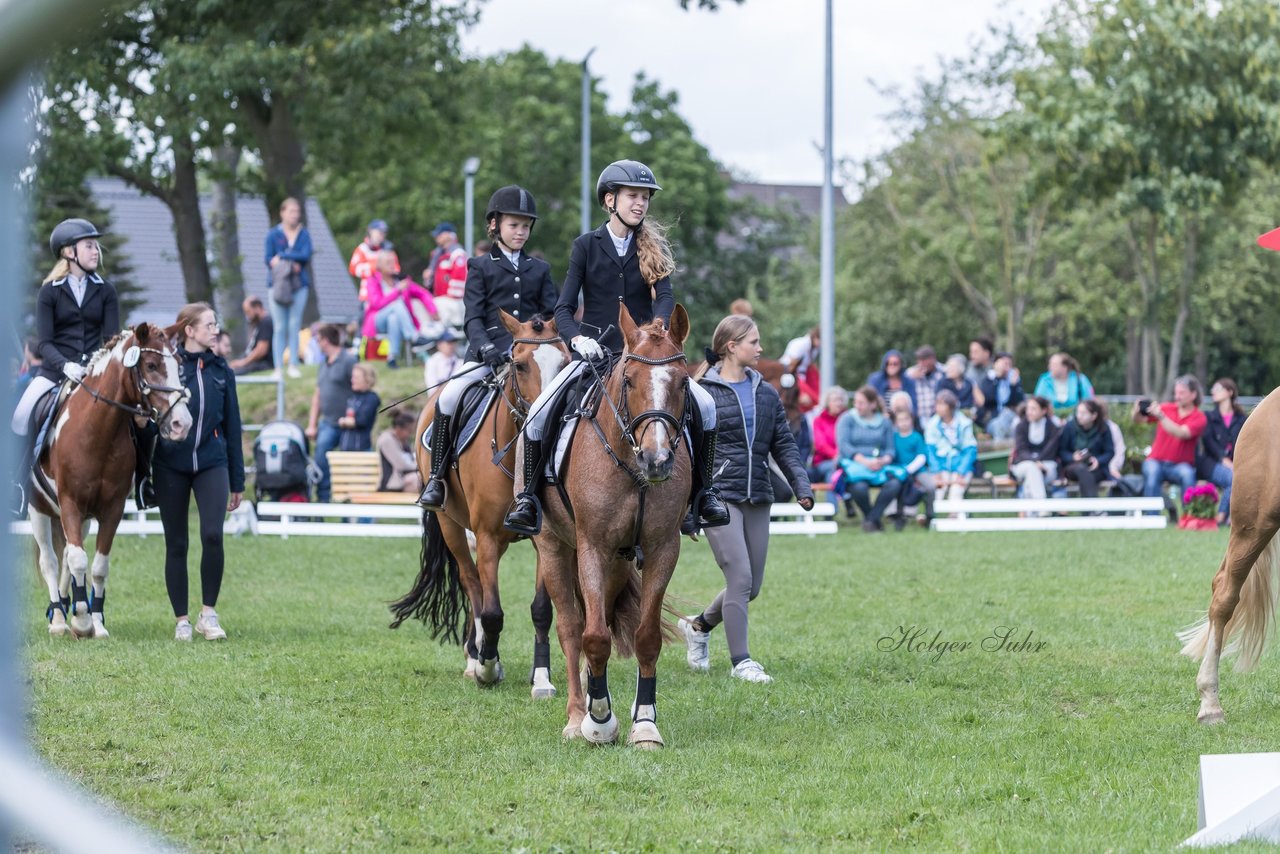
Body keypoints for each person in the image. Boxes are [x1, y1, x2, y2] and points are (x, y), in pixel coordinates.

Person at [504, 161, 728, 534]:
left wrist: (657, 327)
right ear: (610, 200)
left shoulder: (652, 247)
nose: (640, 204)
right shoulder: (585, 246)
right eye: (633, 197)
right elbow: (563, 305)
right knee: (540, 410)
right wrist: (576, 338)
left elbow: (666, 295)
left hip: (642, 355)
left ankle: (704, 495)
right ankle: (528, 497)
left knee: (704, 406)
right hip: (595, 354)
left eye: (644, 198)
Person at [679, 315, 813, 683]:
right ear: (731, 346)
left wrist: (801, 485)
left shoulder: (766, 393)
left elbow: (783, 444)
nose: (761, 348)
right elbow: (687, 452)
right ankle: (742, 662)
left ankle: (699, 626)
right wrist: (687, 511)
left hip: (759, 495)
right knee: (739, 576)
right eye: (754, 341)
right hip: (718, 497)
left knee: (751, 587)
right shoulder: (698, 392)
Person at [419, 185, 558, 509]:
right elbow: (473, 318)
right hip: (488, 354)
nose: (521, 232)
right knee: (450, 397)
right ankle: (437, 479)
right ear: (495, 225)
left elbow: (551, 313)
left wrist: (540, 323)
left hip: (531, 357)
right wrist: (484, 348)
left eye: (525, 226)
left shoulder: (540, 269)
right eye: (514, 225)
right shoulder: (480, 266)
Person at [11, 218, 120, 517]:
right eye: (88, 246)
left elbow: (112, 339)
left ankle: (144, 481)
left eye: (95, 245)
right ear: (69, 253)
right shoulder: (50, 292)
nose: (95, 251)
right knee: (20, 417)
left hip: (94, 373)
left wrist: (95, 364)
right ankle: (16, 486)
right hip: (55, 371)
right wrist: (67, 366)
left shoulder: (106, 291)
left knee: (135, 417)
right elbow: (44, 343)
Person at [152, 303, 243, 642]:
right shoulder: (170, 368)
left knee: (212, 535)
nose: (215, 329)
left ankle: (209, 614)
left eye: (216, 324)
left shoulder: (222, 370)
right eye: (208, 324)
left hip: (212, 463)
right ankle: (182, 620)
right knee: (176, 543)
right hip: (170, 464)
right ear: (188, 330)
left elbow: (233, 426)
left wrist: (238, 480)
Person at [833, 386, 904, 532]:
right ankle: (873, 520)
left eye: (861, 402)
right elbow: (844, 446)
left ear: (872, 404)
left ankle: (871, 519)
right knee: (859, 487)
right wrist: (864, 461)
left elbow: (890, 449)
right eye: (856, 402)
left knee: (895, 483)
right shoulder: (847, 419)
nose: (857, 406)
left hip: (878, 465)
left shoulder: (884, 422)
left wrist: (882, 460)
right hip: (854, 464)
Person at [1134, 375, 1206, 506]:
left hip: (1180, 466)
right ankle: (1151, 518)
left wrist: (1161, 416)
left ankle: (1187, 517)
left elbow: (1182, 433)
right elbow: (1139, 420)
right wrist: (1137, 410)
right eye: (1176, 392)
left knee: (1188, 475)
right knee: (1152, 472)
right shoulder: (1166, 408)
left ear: (1193, 394)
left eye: (1182, 393)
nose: (1177, 396)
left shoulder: (1199, 417)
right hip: (1155, 461)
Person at [305, 325, 356, 502]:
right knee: (320, 462)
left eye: (318, 340)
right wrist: (312, 424)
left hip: (347, 425)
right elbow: (317, 396)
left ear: (326, 340)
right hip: (327, 423)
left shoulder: (348, 361)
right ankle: (322, 504)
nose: (317, 343)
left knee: (347, 467)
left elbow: (359, 389)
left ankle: (346, 509)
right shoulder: (323, 364)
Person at [360, 250, 436, 369]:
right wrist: (397, 291)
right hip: (378, 320)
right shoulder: (373, 281)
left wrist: (432, 310)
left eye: (393, 262)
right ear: (379, 265)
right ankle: (414, 337)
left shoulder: (400, 280)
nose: (392, 265)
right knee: (397, 305)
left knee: (393, 319)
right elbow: (377, 304)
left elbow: (423, 293)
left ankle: (392, 359)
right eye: (388, 262)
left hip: (397, 320)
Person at [264, 196, 313, 379]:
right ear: (282, 212)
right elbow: (268, 259)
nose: (295, 215)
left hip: (299, 285)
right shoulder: (272, 235)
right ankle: (277, 368)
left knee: (294, 324)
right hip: (277, 285)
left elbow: (306, 255)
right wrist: (292, 258)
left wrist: (283, 256)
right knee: (280, 326)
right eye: (291, 211)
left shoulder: (304, 234)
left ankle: (293, 364)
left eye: (297, 212)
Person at [1198, 378, 1246, 525]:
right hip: (1212, 463)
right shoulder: (1208, 417)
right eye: (1213, 389)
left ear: (1229, 392)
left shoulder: (1242, 419)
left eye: (1217, 389)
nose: (1213, 392)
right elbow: (1208, 441)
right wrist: (1223, 459)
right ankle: (1221, 516)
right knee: (1234, 478)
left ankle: (1234, 517)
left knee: (1242, 477)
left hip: (1236, 463)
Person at [925, 390, 977, 503]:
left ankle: (953, 518)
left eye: (942, 404)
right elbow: (930, 451)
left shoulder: (964, 423)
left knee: (956, 489)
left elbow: (970, 450)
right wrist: (936, 471)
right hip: (941, 466)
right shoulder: (932, 425)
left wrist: (961, 472)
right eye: (937, 404)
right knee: (938, 489)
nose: (938, 408)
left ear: (951, 406)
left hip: (960, 466)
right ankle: (933, 517)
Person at [1058, 399, 1114, 499]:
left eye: (1083, 413)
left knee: (1086, 475)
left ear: (1094, 416)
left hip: (1096, 469)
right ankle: (1093, 509)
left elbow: (1109, 452)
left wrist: (1097, 461)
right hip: (1072, 467)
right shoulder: (1069, 427)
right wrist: (1073, 457)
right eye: (1078, 412)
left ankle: (1089, 511)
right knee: (1082, 470)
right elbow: (1061, 451)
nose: (1079, 416)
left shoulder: (1104, 428)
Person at [1010, 396, 1061, 505]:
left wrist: (1039, 462)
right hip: (1024, 463)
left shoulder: (1053, 428)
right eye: (1028, 408)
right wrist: (1035, 462)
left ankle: (1033, 514)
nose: (1029, 412)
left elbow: (1050, 451)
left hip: (1047, 464)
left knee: (1031, 478)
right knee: (1032, 468)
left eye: (1033, 409)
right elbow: (1021, 450)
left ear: (1044, 410)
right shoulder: (1020, 426)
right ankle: (1042, 507)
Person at [891, 407, 933, 526]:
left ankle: (930, 514)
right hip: (898, 471)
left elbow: (922, 457)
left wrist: (909, 470)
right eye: (900, 420)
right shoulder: (894, 437)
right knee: (893, 486)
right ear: (896, 422)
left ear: (912, 420)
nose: (904, 422)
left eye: (906, 419)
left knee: (931, 486)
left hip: (918, 471)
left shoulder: (917, 437)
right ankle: (897, 515)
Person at [425, 222, 468, 330]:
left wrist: (450, 299)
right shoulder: (438, 254)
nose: (436, 237)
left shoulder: (457, 254)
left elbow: (459, 279)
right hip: (441, 301)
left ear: (448, 235)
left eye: (439, 234)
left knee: (451, 335)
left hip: (452, 304)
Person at [976, 351, 1024, 439]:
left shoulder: (1013, 380)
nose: (1006, 367)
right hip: (992, 420)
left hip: (1011, 418)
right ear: (995, 364)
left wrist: (1013, 386)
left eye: (1009, 364)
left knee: (1015, 422)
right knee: (1000, 424)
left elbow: (1018, 402)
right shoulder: (988, 379)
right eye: (1004, 363)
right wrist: (997, 378)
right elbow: (988, 400)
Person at [349, 218, 398, 303]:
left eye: (384, 233)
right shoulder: (362, 249)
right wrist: (375, 267)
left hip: (387, 295)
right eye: (379, 232)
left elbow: (396, 269)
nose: (382, 235)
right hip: (367, 296)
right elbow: (353, 269)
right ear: (371, 231)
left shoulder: (388, 250)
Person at [1034, 352, 1094, 419]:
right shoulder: (1044, 380)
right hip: (1049, 420)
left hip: (1077, 420)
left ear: (1064, 367)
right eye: (1050, 364)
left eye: (1054, 365)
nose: (1050, 367)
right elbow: (1038, 402)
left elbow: (1089, 401)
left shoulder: (1080, 379)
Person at [809, 386, 847, 484]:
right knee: (834, 467)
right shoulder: (819, 420)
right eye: (835, 400)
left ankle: (832, 499)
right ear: (828, 403)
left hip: (846, 460)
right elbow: (820, 445)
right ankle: (843, 497)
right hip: (822, 462)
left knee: (832, 472)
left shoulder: (848, 419)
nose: (839, 403)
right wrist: (836, 456)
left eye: (841, 400)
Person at [377, 409, 422, 493]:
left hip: (404, 481)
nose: (411, 434)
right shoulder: (387, 440)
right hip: (390, 485)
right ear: (398, 428)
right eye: (409, 431)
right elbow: (401, 465)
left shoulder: (402, 441)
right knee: (418, 479)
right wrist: (421, 467)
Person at [338, 364, 380, 451]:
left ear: (367, 379)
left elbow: (362, 421)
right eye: (352, 377)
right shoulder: (352, 397)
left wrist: (345, 422)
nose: (352, 380)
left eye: (356, 378)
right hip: (345, 448)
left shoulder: (372, 398)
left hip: (361, 449)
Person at [229, 297, 274, 376]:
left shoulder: (266, 322)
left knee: (232, 374)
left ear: (257, 308)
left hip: (263, 364)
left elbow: (261, 350)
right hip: (254, 362)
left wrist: (243, 362)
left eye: (248, 312)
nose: (248, 316)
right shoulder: (260, 323)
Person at [780, 325, 820, 405]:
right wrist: (800, 392)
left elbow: (809, 366)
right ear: (815, 337)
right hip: (789, 374)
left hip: (801, 375)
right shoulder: (801, 344)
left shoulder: (815, 348)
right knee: (810, 399)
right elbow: (791, 367)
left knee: (816, 398)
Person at [907, 345, 944, 421]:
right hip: (917, 418)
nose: (920, 364)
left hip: (939, 417)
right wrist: (911, 379)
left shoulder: (944, 371)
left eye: (923, 360)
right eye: (919, 360)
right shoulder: (911, 373)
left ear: (932, 359)